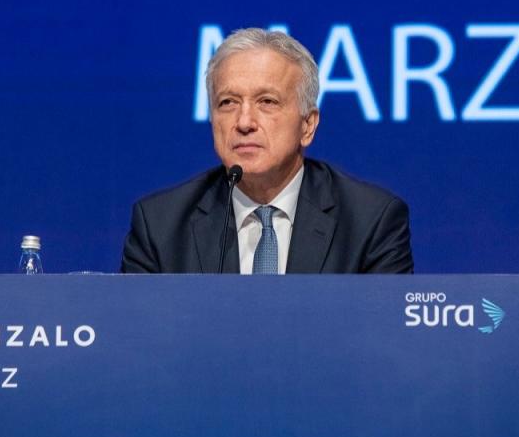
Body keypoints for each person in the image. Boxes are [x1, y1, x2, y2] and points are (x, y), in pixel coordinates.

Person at [121, 28, 413, 274]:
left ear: (308, 125)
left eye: (267, 102)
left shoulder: (370, 221)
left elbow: (386, 338)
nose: (244, 122)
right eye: (228, 103)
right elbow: (134, 336)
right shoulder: (160, 226)